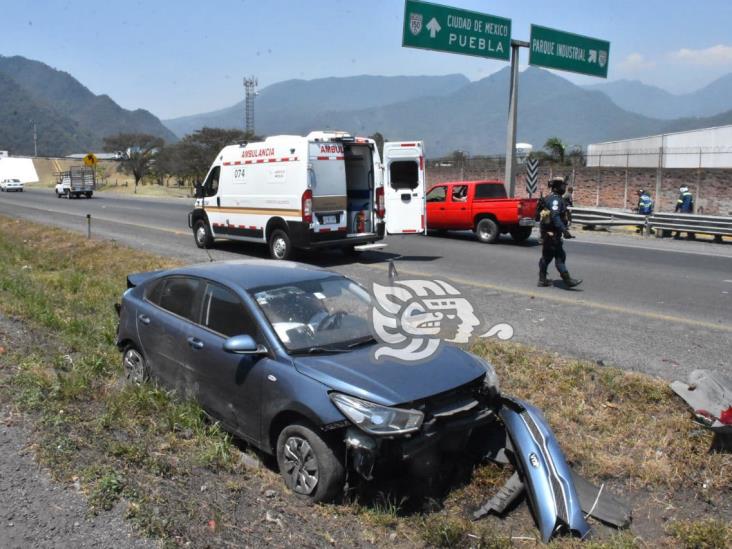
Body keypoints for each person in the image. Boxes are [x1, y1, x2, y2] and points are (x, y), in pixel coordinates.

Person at [538, 177, 582, 288]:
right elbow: (555, 215)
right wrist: (564, 230)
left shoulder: (551, 197)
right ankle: (567, 280)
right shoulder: (555, 200)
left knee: (547, 257)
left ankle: (542, 279)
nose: (564, 188)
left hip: (548, 233)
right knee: (559, 256)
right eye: (562, 186)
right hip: (552, 234)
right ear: (556, 187)